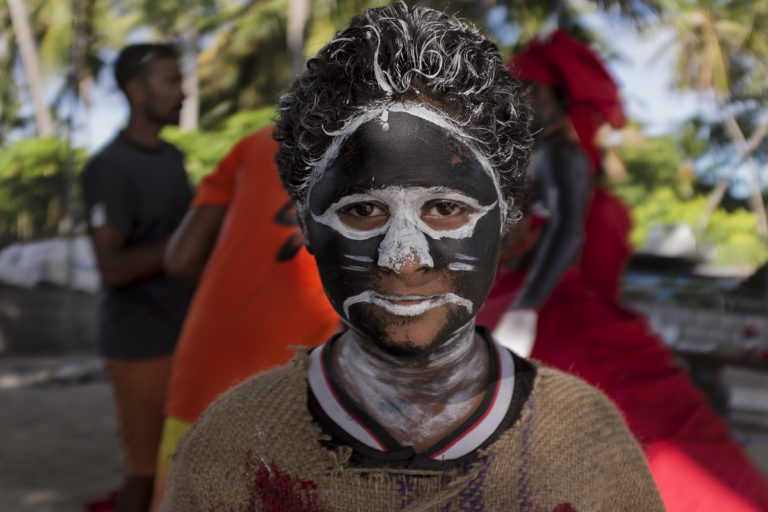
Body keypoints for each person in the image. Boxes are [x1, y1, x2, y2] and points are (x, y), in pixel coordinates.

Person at [160, 4, 664, 510]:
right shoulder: (232, 446)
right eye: (362, 209)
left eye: (446, 209)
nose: (403, 258)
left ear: (507, 220)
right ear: (305, 224)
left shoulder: (586, 440)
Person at [479, 30, 768, 512]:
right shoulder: (514, 166)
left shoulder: (565, 161)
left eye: (529, 94)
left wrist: (526, 308)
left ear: (553, 98)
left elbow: (567, 236)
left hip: (550, 321)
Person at [151, 126, 339, 508]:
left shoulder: (257, 142)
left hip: (201, 386)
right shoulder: (406, 145)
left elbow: (182, 258)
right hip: (304, 408)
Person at [81, 43, 193, 512]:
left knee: (182, 466)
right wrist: (185, 244)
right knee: (143, 475)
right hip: (139, 341)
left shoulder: (171, 157)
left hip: (182, 334)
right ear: (136, 91)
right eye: (170, 81)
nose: (182, 92)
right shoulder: (108, 168)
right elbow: (113, 268)